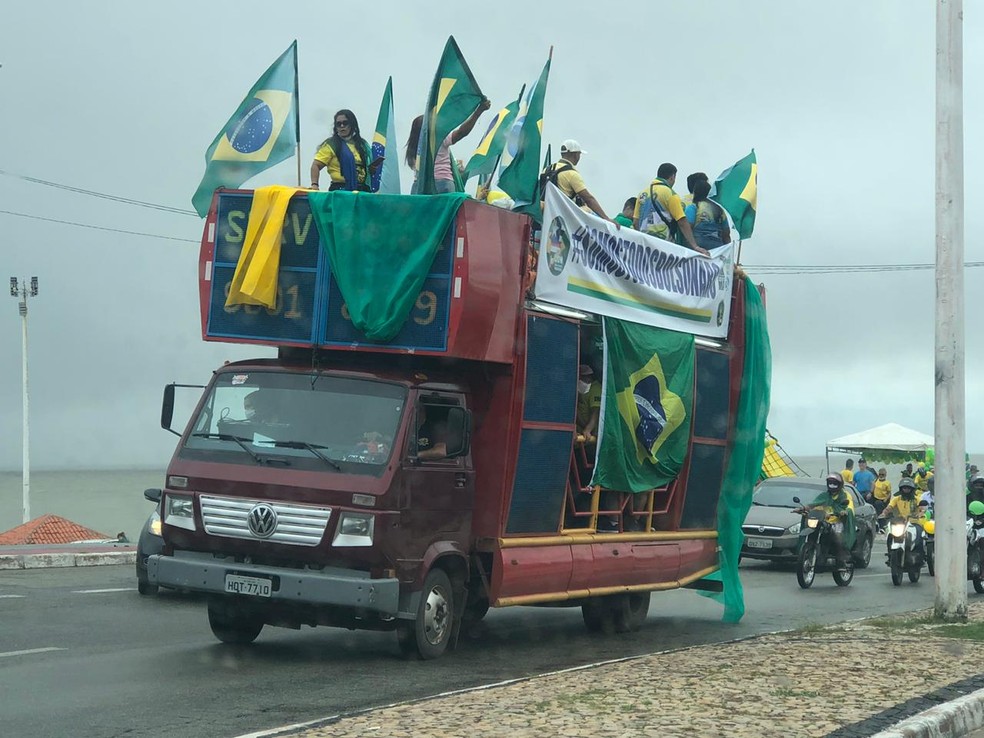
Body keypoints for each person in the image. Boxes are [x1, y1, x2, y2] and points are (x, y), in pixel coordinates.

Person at [406, 98, 491, 194]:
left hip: (420, 186)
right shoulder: (438, 137)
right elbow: (461, 133)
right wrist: (478, 112)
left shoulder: (413, 149)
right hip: (442, 182)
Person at [633, 163, 708, 255]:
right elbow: (682, 222)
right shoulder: (670, 194)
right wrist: (695, 246)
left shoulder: (642, 194)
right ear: (672, 176)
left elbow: (635, 222)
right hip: (663, 245)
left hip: (644, 244)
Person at [540, 140, 616, 224]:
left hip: (546, 214)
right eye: (579, 154)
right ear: (575, 155)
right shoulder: (572, 174)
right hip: (562, 215)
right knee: (588, 210)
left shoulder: (547, 169)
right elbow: (588, 199)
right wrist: (606, 218)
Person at [310, 110, 379, 192]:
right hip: (340, 191)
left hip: (362, 191)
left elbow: (367, 171)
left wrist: (371, 169)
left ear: (352, 124)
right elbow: (316, 165)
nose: (342, 126)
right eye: (338, 124)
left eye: (345, 123)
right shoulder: (331, 145)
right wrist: (315, 185)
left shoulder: (362, 145)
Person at [802, 472, 856, 570]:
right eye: (830, 483)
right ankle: (811, 554)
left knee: (838, 539)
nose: (832, 485)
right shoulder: (824, 495)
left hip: (837, 521)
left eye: (834, 483)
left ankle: (842, 560)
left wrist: (845, 512)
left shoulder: (845, 495)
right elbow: (814, 503)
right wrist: (804, 508)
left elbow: (850, 507)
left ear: (839, 484)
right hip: (823, 520)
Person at [685, 180, 731, 251]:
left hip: (699, 250)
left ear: (695, 193)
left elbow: (687, 230)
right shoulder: (719, 210)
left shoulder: (693, 207)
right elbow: (726, 234)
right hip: (717, 250)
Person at [576, 364, 602, 445]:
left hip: (590, 436)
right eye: (584, 377)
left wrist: (587, 430)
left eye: (589, 377)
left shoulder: (595, 388)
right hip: (578, 433)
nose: (587, 380)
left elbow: (596, 413)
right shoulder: (576, 387)